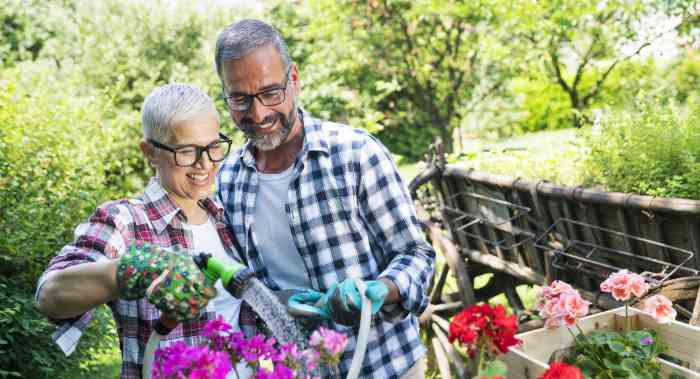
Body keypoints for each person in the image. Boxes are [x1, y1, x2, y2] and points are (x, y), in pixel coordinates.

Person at [215, 19, 436, 378]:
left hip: (384, 366)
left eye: (272, 93)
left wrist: (377, 289)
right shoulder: (228, 181)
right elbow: (242, 286)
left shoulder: (355, 153)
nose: (258, 114)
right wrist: (274, 303)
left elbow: (417, 255)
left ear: (295, 79)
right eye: (240, 99)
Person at [35, 84, 253, 379]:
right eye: (187, 150)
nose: (205, 163)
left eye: (214, 147)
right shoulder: (126, 221)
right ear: (150, 152)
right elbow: (50, 295)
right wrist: (132, 269)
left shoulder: (227, 218)